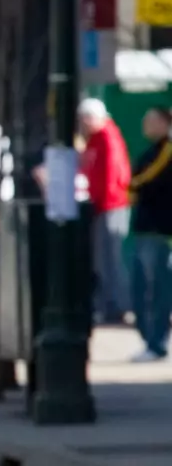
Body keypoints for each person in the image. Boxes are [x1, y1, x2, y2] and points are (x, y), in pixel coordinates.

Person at [78, 98, 133, 325]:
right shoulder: (95, 140)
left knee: (112, 259)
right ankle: (110, 305)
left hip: (111, 206)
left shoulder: (107, 137)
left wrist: (101, 200)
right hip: (101, 205)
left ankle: (118, 306)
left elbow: (113, 174)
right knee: (103, 260)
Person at [128, 106, 172, 361]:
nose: (146, 125)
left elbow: (141, 181)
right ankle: (151, 341)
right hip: (145, 228)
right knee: (142, 288)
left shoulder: (166, 151)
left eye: (151, 121)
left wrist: (132, 186)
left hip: (158, 230)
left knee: (157, 288)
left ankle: (157, 343)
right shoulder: (151, 151)